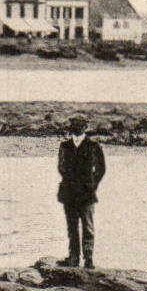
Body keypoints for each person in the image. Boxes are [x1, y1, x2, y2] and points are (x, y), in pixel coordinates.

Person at [56, 114, 106, 269]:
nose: (77, 128)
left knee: (87, 226)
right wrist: (70, 179)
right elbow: (61, 167)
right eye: (74, 126)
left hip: (87, 193)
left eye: (80, 125)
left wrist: (92, 184)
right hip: (69, 193)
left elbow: (101, 169)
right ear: (71, 128)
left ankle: (88, 258)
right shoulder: (64, 146)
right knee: (72, 227)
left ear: (85, 127)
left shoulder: (93, 146)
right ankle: (73, 258)